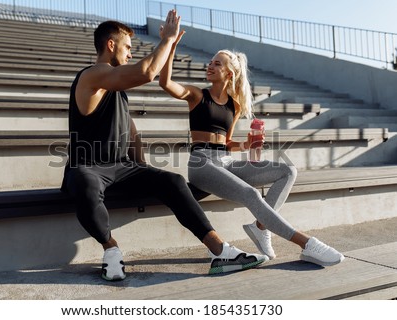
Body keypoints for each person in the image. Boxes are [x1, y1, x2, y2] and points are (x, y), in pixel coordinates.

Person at [61, 10, 268, 281]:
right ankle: (110, 249)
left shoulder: (115, 89)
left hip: (122, 167)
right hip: (87, 166)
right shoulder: (93, 75)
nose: (130, 53)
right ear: (110, 45)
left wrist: (145, 171)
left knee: (172, 181)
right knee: (87, 187)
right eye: (127, 47)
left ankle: (220, 251)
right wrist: (168, 41)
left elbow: (131, 131)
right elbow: (147, 72)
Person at [159, 32, 344, 267]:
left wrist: (245, 145)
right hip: (201, 164)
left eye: (217, 63)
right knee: (251, 194)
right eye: (210, 62)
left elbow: (226, 142)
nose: (211, 66)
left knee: (287, 171)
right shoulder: (197, 95)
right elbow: (165, 84)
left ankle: (260, 228)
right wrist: (171, 45)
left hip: (225, 161)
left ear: (229, 73)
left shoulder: (233, 106)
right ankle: (307, 244)